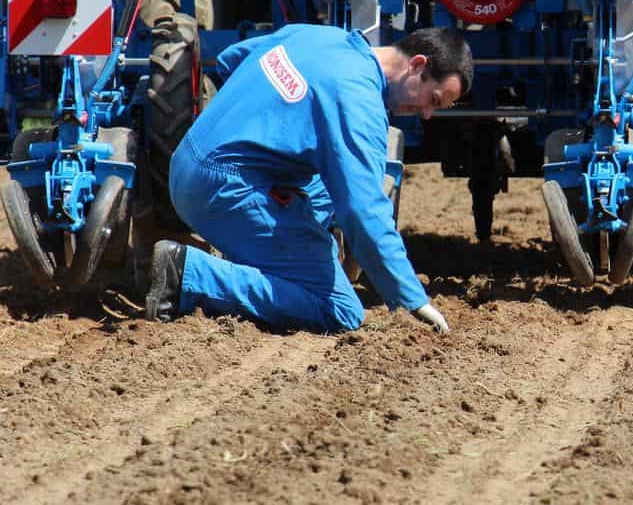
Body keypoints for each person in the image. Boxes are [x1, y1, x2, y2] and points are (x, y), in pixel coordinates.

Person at [143, 24, 473, 334]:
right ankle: (188, 275)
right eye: (433, 100)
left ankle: (259, 255)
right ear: (417, 65)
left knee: (327, 184)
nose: (427, 114)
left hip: (187, 159)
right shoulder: (359, 102)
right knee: (340, 309)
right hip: (224, 190)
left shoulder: (320, 36)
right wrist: (411, 299)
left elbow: (233, 60)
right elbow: (363, 210)